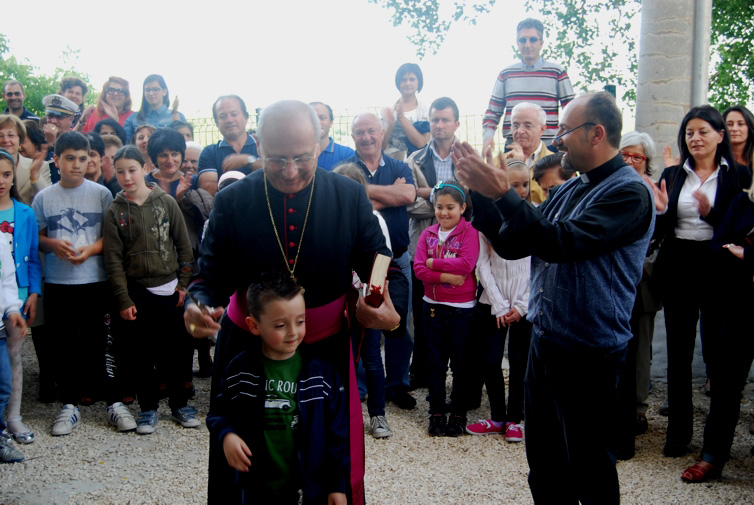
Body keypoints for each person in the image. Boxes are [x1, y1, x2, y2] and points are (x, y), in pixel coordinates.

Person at [185, 100, 408, 505]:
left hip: (323, 349)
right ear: (257, 144)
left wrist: (389, 314)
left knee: (324, 457)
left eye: (302, 158)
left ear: (322, 144)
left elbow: (381, 267)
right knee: (245, 462)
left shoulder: (348, 195)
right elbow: (209, 276)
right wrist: (196, 307)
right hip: (248, 351)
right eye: (276, 159)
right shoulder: (233, 200)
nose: (290, 171)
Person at [454, 91, 654, 504]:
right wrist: (481, 193)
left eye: (565, 130)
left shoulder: (629, 193)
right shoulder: (569, 189)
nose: (559, 139)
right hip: (546, 343)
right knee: (544, 466)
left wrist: (503, 193)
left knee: (591, 468)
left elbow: (561, 243)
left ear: (597, 133)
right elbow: (514, 244)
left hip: (589, 351)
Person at [647, 105, 752, 458]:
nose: (695, 138)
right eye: (690, 132)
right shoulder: (674, 174)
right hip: (679, 266)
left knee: (717, 355)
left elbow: (741, 227)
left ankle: (715, 438)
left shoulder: (738, 175)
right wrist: (661, 211)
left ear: (720, 136)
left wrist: (712, 213)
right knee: (678, 352)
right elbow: (662, 231)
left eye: (703, 131)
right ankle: (678, 433)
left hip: (719, 268)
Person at [207, 273, 349, 504]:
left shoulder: (323, 375)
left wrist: (337, 486)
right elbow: (219, 412)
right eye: (281, 325)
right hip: (256, 490)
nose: (293, 332)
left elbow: (337, 436)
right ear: (254, 325)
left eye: (300, 321)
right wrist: (227, 435)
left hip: (308, 490)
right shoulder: (240, 370)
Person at [32, 131, 132, 435]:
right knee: (64, 344)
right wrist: (52, 244)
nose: (77, 164)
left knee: (101, 342)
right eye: (70, 158)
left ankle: (114, 402)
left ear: (91, 159)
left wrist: (89, 249)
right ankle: (70, 404)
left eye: (83, 158)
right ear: (56, 160)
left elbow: (111, 237)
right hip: (60, 284)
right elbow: (35, 237)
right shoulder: (44, 197)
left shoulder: (101, 193)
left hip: (96, 281)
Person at [103, 145, 198, 435]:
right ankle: (147, 408)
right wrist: (123, 297)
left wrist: (183, 285)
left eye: (132, 170)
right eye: (120, 171)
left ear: (144, 168)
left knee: (177, 351)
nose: (126, 177)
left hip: (170, 290)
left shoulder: (165, 202)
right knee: (142, 352)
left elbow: (184, 247)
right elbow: (113, 260)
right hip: (137, 292)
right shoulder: (115, 211)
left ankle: (180, 404)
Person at [679, 177, 754, 482]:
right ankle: (713, 456)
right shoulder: (744, 201)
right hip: (741, 301)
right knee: (725, 381)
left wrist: (749, 256)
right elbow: (721, 242)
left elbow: (740, 249)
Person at [344, 112, 417, 411]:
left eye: (371, 131)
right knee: (363, 325)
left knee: (397, 324)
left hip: (396, 261)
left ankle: (397, 385)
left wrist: (360, 193)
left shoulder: (400, 166)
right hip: (361, 267)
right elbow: (397, 196)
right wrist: (391, 194)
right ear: (353, 137)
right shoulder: (348, 166)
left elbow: (409, 195)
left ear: (382, 133)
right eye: (359, 132)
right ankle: (362, 386)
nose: (366, 137)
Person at [465, 161, 531, 443]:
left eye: (524, 184)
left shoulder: (533, 218)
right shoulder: (488, 221)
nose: (520, 191)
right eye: (513, 185)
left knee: (519, 363)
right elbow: (482, 265)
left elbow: (538, 267)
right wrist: (501, 305)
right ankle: (498, 416)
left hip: (524, 305)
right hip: (493, 301)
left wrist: (520, 306)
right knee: (490, 361)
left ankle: (516, 419)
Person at [333, 162, 393, 438]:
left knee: (371, 357)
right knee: (340, 359)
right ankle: (342, 411)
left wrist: (375, 299)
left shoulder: (373, 219)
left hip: (366, 300)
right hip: (338, 303)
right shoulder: (326, 218)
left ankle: (378, 415)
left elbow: (382, 262)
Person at [414, 181, 478, 436]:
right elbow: (419, 269)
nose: (444, 212)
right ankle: (437, 411)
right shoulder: (427, 234)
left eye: (450, 207)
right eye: (439, 207)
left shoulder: (469, 232)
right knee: (435, 363)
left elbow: (466, 263)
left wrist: (433, 264)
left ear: (462, 208)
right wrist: (445, 277)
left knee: (461, 363)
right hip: (432, 307)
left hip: (462, 309)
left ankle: (459, 412)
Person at [405, 96, 461, 389]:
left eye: (445, 120)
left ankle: (457, 374)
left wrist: (429, 193)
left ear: (456, 124)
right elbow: (409, 203)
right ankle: (421, 372)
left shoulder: (467, 158)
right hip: (424, 248)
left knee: (458, 313)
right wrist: (449, 200)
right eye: (435, 120)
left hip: (460, 249)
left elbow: (474, 202)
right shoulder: (414, 159)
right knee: (423, 310)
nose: (439, 125)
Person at [615, 131, 661, 458]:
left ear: (647, 162)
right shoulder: (614, 186)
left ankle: (638, 407)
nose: (630, 161)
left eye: (637, 157)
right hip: (617, 281)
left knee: (640, 346)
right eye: (625, 155)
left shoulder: (654, 192)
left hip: (643, 279)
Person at [482, 18, 574, 153]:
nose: (527, 44)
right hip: (514, 147)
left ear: (541, 43)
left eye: (533, 39)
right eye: (523, 40)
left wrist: (567, 140)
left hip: (548, 148)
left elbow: (570, 110)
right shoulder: (506, 75)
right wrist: (488, 136)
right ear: (517, 43)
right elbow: (493, 112)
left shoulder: (557, 73)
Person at [0, 147, 38, 447]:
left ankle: (13, 417)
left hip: (18, 293)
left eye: (6, 174)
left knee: (14, 358)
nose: (1, 180)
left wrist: (34, 292)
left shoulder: (24, 212)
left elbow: (34, 257)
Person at [0, 151, 27, 460]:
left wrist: (11, 308)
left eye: (6, 173)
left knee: (4, 382)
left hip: (2, 321)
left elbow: (7, 277)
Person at [197, 95, 261, 195]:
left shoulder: (264, 146)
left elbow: (275, 176)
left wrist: (249, 160)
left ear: (246, 117)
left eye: (234, 114)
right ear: (217, 122)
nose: (229, 120)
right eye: (223, 116)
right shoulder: (210, 153)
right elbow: (208, 190)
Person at [382, 63, 430, 161]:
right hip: (391, 163)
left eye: (412, 79)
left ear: (418, 82)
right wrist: (390, 125)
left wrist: (401, 118)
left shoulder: (425, 111)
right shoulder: (388, 110)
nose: (407, 83)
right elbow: (380, 146)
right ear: (398, 83)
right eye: (403, 80)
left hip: (417, 165)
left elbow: (421, 143)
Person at [0, 115, 51, 206]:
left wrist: (35, 175)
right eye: (0, 136)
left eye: (11, 135)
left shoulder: (40, 166)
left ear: (20, 139)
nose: (5, 140)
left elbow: (48, 201)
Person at [509, 102, 553, 204]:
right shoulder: (498, 162)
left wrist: (519, 167)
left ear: (542, 129)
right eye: (515, 126)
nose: (520, 131)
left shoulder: (555, 164)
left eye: (527, 126)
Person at [124, 75, 185, 142]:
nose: (151, 93)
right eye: (147, 90)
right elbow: (126, 145)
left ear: (164, 91)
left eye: (155, 89)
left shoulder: (178, 117)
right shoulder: (133, 118)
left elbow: (184, 143)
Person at [310, 102, 354, 170]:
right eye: (312, 118)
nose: (317, 122)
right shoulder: (296, 156)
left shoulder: (346, 155)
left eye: (322, 118)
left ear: (331, 122)